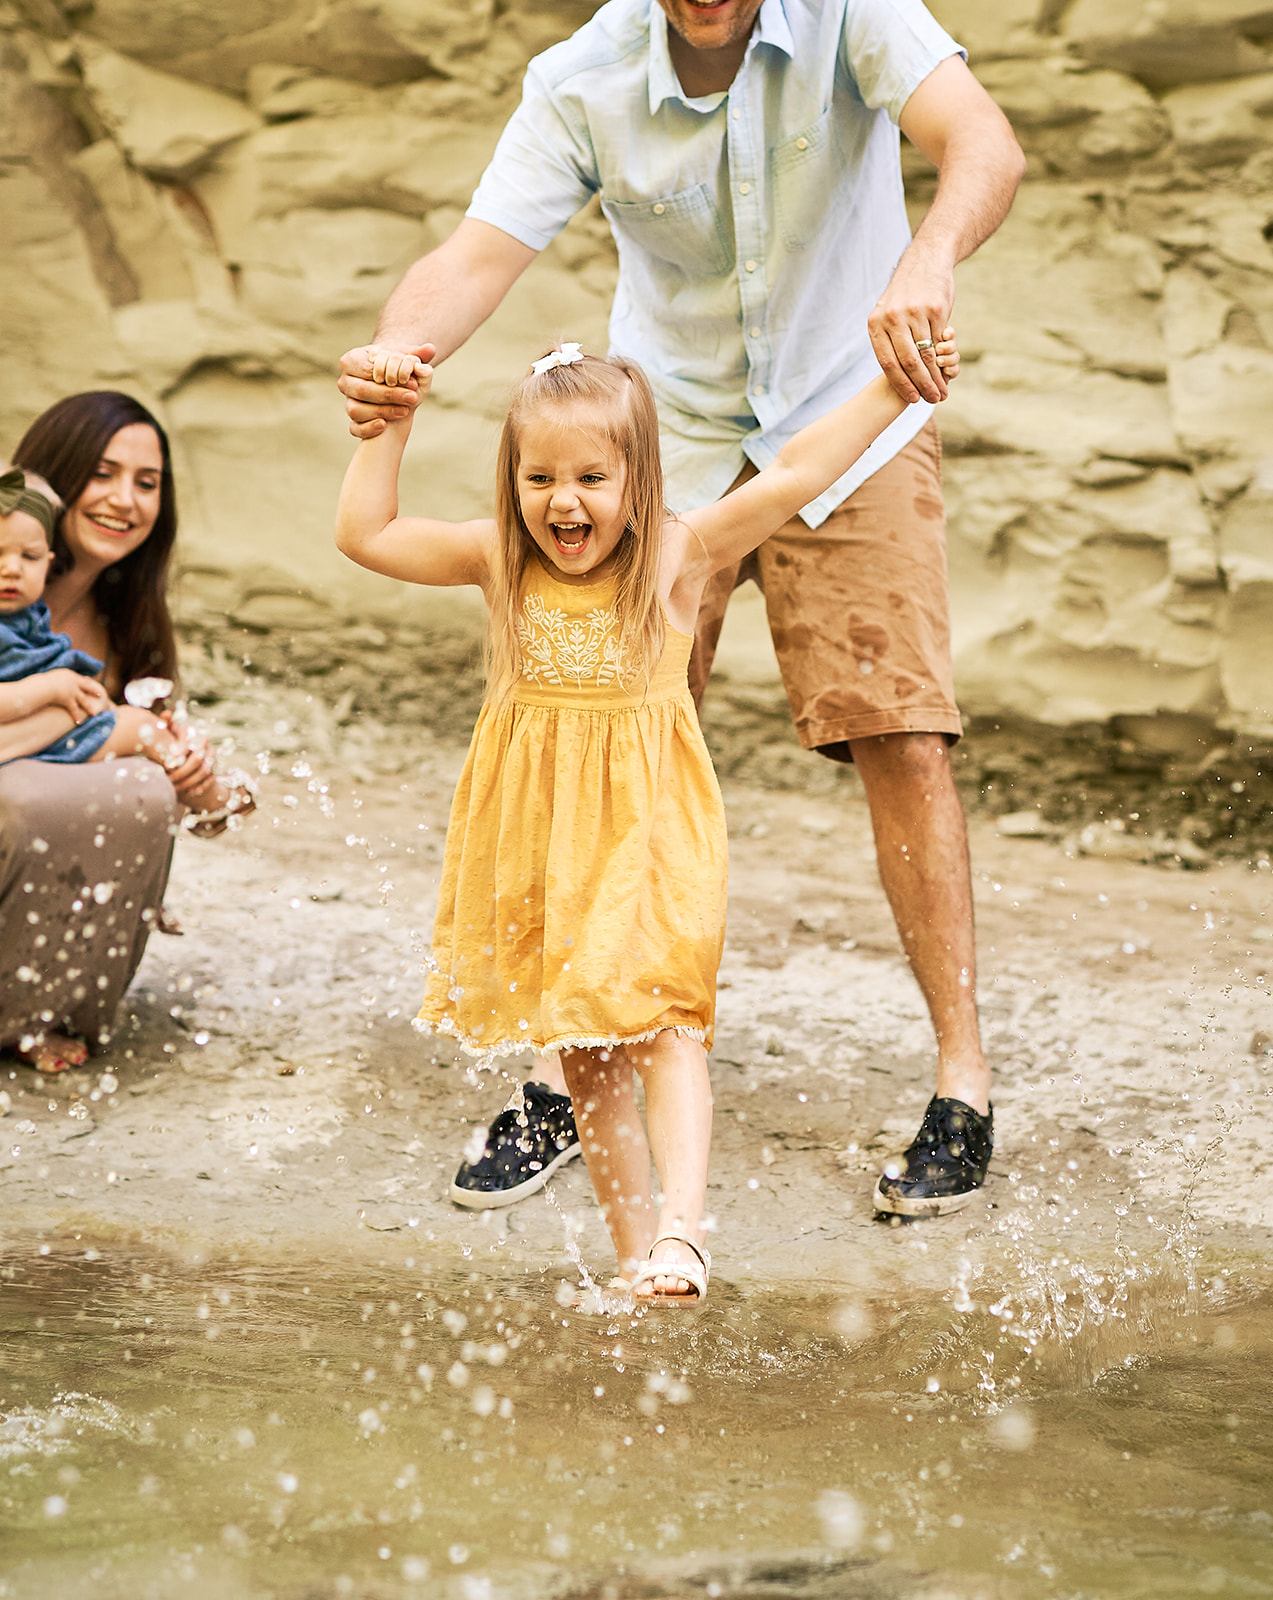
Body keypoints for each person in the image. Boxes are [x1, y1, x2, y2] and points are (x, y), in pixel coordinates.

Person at [337, 0, 1025, 1218]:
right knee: (601, 742)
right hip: (660, 446)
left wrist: (927, 257)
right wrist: (397, 354)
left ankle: (960, 1080)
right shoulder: (582, 72)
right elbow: (478, 254)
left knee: (903, 734)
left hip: (848, 419)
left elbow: (982, 145)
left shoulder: (853, 15)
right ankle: (564, 1072)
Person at [334, 335, 960, 1296]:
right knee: (584, 1053)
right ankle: (637, 1268)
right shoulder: (500, 560)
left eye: (591, 475)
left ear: (638, 477)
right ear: (512, 479)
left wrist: (891, 387)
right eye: (539, 476)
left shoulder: (676, 555)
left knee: (666, 1023)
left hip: (649, 836)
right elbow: (363, 536)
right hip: (542, 839)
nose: (563, 500)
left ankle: (682, 1233)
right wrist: (390, 429)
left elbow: (795, 472)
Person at [0, 393, 237, 1075]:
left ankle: (42, 1006)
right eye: (102, 474)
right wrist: (120, 726)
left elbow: (210, 813)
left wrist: (197, 776)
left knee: (141, 791)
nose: (124, 500)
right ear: (54, 476)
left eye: (147, 482)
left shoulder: (124, 621)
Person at [0, 466, 250, 812]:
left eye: (28, 557)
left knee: (151, 733)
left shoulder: (27, 616)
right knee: (139, 730)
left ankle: (207, 794)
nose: (11, 568)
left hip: (52, 732)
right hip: (36, 736)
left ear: (47, 561)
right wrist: (53, 688)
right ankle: (213, 803)